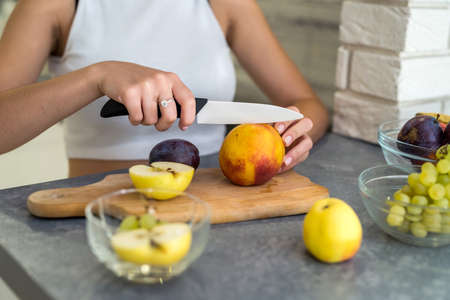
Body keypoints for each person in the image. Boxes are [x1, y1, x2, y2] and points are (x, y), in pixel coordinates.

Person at [0, 0, 329, 177]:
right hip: (96, 215)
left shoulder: (226, 4)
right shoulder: (52, 6)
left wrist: (295, 135)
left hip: (216, 210)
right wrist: (96, 77)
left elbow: (306, 104)